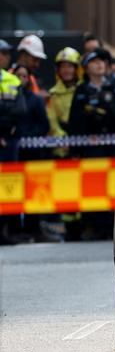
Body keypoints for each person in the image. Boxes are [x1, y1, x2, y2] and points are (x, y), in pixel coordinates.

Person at [68, 50, 115, 238]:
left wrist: (102, 111)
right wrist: (75, 149)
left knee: (113, 185)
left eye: (102, 61)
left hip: (112, 145)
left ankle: (111, 227)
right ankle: (93, 226)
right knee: (93, 185)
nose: (100, 64)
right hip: (91, 146)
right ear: (86, 67)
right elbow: (75, 121)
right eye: (94, 62)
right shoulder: (81, 90)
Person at [12, 65, 57, 242]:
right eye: (18, 75)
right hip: (14, 152)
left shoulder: (36, 100)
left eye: (24, 75)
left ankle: (33, 228)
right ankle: (14, 230)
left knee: (32, 192)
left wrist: (30, 136)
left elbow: (44, 124)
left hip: (32, 152)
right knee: (13, 191)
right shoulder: (9, 98)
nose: (21, 78)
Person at [48, 47, 84, 241]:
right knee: (66, 189)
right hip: (62, 149)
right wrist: (64, 140)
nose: (67, 70)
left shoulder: (83, 89)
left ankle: (84, 224)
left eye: (70, 66)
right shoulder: (53, 94)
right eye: (63, 67)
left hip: (81, 148)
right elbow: (52, 121)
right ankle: (70, 228)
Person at [0, 65, 26, 244]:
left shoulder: (11, 80)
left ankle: (5, 231)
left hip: (8, 143)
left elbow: (19, 112)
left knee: (8, 189)